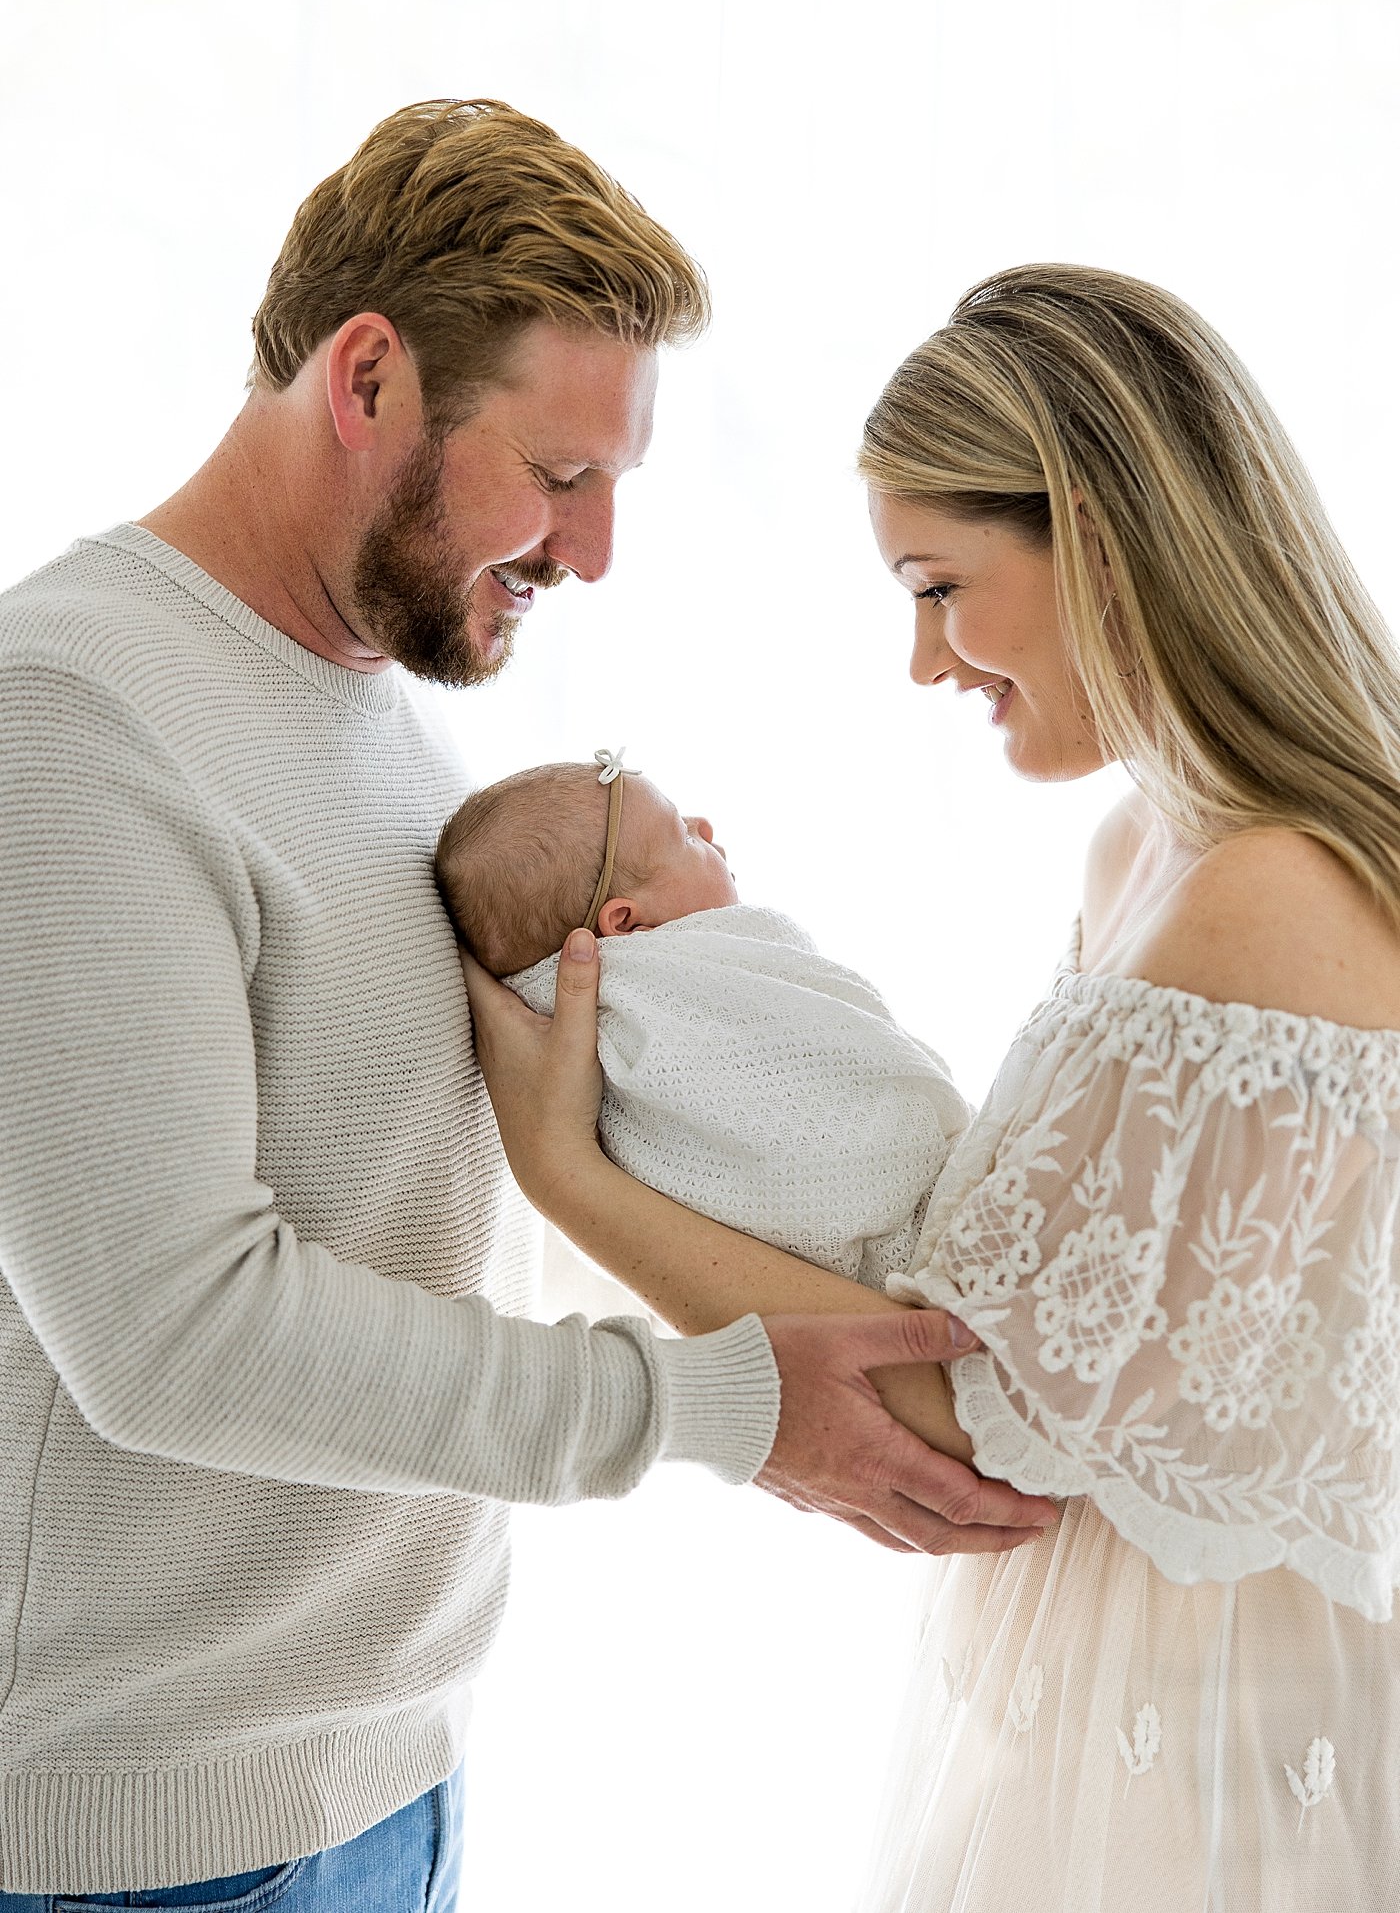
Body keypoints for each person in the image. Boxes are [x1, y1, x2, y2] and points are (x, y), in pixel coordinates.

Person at [0, 100, 1051, 1907]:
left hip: (391, 1778)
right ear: (367, 378)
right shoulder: (72, 721)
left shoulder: (402, 745)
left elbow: (425, 1222)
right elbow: (174, 1333)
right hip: (150, 1841)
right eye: (561, 478)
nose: (597, 552)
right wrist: (720, 1410)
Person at [463, 264, 1400, 1910]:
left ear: (1101, 537)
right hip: (1094, 1690)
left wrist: (578, 1183)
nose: (922, 661)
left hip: (1211, 1741)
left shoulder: (1270, 898)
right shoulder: (1148, 852)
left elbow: (975, 1419)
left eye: (938, 584)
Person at [435, 751, 970, 1285]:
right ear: (625, 922)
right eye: (684, 837)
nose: (705, 826)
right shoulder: (638, 1023)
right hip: (928, 1207)